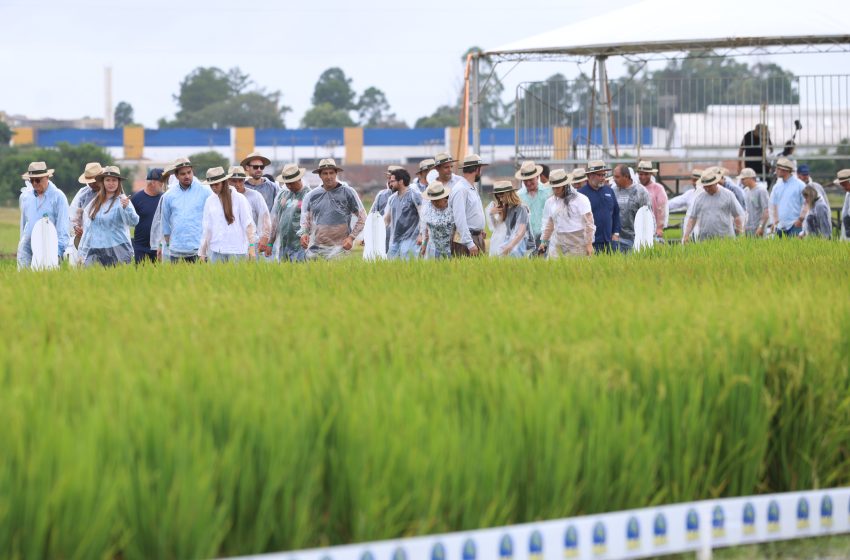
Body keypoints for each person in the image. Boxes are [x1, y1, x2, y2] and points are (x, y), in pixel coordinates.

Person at [299, 158, 366, 259]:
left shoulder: (348, 193)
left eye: (331, 173)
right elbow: (305, 219)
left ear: (336, 173)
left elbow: (363, 217)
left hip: (340, 248)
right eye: (325, 173)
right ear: (320, 175)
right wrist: (304, 234)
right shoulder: (311, 196)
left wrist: (351, 238)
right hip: (317, 248)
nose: (329, 176)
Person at [78, 166, 139, 267]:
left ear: (119, 182)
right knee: (92, 280)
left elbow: (134, 221)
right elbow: (89, 228)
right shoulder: (96, 202)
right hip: (95, 249)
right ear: (103, 182)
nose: (111, 183)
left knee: (117, 281)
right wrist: (82, 250)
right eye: (108, 180)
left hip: (118, 248)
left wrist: (126, 207)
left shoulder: (123, 200)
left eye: (114, 180)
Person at [17, 162, 70, 269]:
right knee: (23, 281)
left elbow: (63, 229)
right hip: (27, 247)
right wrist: (22, 244)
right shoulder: (25, 197)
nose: (34, 184)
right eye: (31, 180)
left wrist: (57, 254)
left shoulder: (58, 197)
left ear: (47, 177)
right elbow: (23, 225)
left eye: (37, 180)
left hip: (48, 247)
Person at [159, 156, 212, 263]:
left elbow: (212, 218)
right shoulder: (168, 196)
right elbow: (165, 223)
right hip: (176, 250)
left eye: (189, 172)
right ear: (176, 176)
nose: (187, 176)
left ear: (193, 172)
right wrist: (169, 245)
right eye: (183, 174)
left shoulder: (205, 191)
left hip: (199, 249)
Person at [198, 167, 256, 263]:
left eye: (216, 184)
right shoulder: (210, 201)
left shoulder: (239, 199)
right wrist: (202, 252)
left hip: (236, 250)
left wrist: (251, 248)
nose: (213, 187)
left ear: (224, 182)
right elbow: (207, 228)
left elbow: (248, 224)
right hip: (216, 250)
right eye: (211, 185)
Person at [538, 169, 595, 257]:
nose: (555, 190)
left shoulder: (580, 199)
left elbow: (589, 223)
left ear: (565, 185)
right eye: (553, 188)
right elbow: (550, 223)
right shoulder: (551, 202)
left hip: (577, 242)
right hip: (558, 242)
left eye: (558, 187)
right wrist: (544, 242)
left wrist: (589, 244)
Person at [437, 152, 484, 256]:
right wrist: (470, 243)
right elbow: (460, 219)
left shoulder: (471, 187)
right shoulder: (461, 189)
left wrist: (480, 229)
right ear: (477, 169)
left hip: (475, 236)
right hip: (466, 240)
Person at [682, 169, 744, 243]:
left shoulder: (728, 195)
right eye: (705, 187)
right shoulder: (699, 198)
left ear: (716, 183)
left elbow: (737, 215)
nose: (707, 189)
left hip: (726, 238)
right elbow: (692, 218)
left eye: (710, 186)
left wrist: (740, 232)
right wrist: (686, 235)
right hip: (705, 239)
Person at [228, 166, 272, 259]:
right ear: (228, 181)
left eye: (240, 181)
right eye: (234, 181)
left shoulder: (255, 196)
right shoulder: (224, 198)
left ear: (244, 181)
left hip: (252, 242)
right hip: (231, 244)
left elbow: (265, 218)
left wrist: (264, 238)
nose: (237, 184)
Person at [270, 163, 311, 262]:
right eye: (287, 183)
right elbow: (275, 220)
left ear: (299, 179)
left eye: (292, 183)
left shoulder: (308, 195)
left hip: (301, 247)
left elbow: (313, 221)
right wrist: (270, 243)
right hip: (284, 246)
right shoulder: (283, 195)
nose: (289, 186)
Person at [577, 161, 621, 253]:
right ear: (590, 175)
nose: (603, 178)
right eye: (599, 175)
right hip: (590, 243)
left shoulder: (609, 191)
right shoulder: (581, 194)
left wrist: (616, 233)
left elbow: (616, 212)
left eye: (604, 175)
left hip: (609, 242)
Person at [611, 164, 651, 252]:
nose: (614, 179)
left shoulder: (640, 192)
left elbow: (648, 216)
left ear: (626, 176)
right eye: (614, 177)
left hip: (635, 240)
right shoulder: (613, 190)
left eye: (617, 177)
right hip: (616, 240)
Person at [384, 168, 422, 259]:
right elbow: (387, 219)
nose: (390, 184)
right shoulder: (392, 198)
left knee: (408, 266)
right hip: (395, 239)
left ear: (400, 181)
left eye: (392, 181)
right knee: (390, 264)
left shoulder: (414, 195)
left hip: (411, 238)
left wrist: (421, 234)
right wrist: (375, 233)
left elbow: (423, 216)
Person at [489, 180, 533, 258]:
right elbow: (496, 228)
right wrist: (491, 214)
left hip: (518, 246)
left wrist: (510, 246)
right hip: (507, 245)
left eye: (502, 196)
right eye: (499, 197)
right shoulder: (504, 208)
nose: (501, 200)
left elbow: (521, 232)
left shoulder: (521, 209)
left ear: (509, 195)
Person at [515, 160, 553, 251]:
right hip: (526, 240)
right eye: (525, 180)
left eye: (531, 180)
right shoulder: (518, 196)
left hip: (547, 238)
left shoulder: (548, 192)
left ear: (537, 177)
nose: (528, 183)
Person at [130, 168, 164, 263]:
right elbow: (130, 220)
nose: (163, 184)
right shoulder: (137, 198)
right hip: (140, 247)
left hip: (159, 247)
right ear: (153, 182)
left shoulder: (164, 199)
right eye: (161, 181)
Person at [770, 157, 806, 238]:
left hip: (795, 226)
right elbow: (774, 205)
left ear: (785, 170)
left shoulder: (800, 185)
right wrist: (774, 222)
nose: (776, 171)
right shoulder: (777, 186)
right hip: (780, 227)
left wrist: (800, 220)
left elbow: (806, 204)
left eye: (778, 169)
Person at [69, 162, 103, 247]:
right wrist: (76, 226)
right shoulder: (83, 194)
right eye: (89, 182)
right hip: (86, 239)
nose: (92, 184)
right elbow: (74, 214)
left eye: (94, 181)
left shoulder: (111, 192)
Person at [419, 181, 455, 259]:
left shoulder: (452, 206)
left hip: (451, 247)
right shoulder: (427, 208)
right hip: (434, 248)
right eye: (432, 200)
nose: (434, 202)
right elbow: (425, 229)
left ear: (443, 197)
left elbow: (460, 224)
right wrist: (424, 245)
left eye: (437, 200)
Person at [636, 161, 668, 239]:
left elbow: (662, 209)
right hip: (637, 228)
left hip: (653, 229)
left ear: (651, 174)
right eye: (641, 174)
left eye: (646, 174)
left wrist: (659, 228)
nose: (643, 177)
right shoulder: (635, 188)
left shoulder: (658, 188)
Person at [740, 168, 770, 237]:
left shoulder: (761, 191)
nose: (742, 181)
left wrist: (761, 227)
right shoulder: (745, 191)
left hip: (758, 229)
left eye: (743, 179)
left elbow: (766, 210)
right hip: (748, 229)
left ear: (751, 178)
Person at [834, 169, 850, 240]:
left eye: (844, 185)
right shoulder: (848, 194)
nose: (843, 188)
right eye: (842, 185)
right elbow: (845, 214)